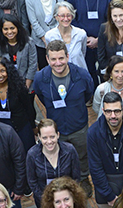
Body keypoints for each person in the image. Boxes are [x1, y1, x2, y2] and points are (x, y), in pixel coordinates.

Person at [32, 41, 95, 193]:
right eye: (53, 59)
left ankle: (84, 178)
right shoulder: (40, 78)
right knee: (59, 156)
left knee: (82, 154)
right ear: (47, 59)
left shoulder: (82, 75)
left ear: (67, 56)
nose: (58, 63)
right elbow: (41, 97)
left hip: (79, 126)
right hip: (56, 127)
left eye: (61, 58)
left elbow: (88, 93)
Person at [69, 0, 115, 84]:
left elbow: (112, 21)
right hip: (82, 41)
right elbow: (71, 20)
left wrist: (99, 39)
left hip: (105, 40)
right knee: (87, 70)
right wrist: (85, 38)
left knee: (106, 70)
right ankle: (91, 93)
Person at [0, 57, 34, 151]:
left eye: (2, 71)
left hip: (21, 128)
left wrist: (33, 127)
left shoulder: (18, 87)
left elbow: (28, 108)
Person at [26, 120, 81, 206]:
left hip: (67, 200)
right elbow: (32, 181)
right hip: (44, 201)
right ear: (39, 137)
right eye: (44, 138)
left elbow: (76, 177)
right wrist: (45, 200)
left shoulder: (69, 150)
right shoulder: (32, 155)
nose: (49, 141)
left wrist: (69, 197)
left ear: (58, 135)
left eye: (52, 137)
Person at [25, 0, 64, 65]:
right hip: (39, 41)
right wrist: (45, 39)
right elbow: (33, 22)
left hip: (57, 39)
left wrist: (54, 38)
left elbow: (61, 20)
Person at [0, 14, 38, 87]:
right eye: (6, 29)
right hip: (5, 83)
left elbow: (33, 64)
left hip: (26, 82)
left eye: (12, 28)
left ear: (18, 28)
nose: (9, 32)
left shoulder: (29, 42)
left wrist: (26, 85)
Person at [45, 2, 88, 70]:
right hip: (58, 74)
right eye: (62, 16)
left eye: (68, 15)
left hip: (79, 74)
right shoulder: (49, 36)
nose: (66, 19)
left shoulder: (81, 34)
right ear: (56, 17)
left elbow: (82, 54)